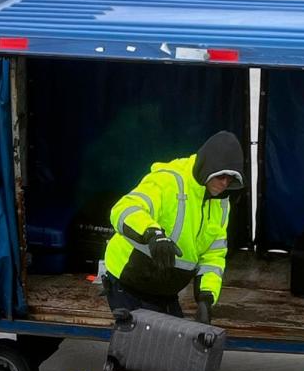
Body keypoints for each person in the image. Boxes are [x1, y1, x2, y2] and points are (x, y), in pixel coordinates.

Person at [103, 131, 244, 324]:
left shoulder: (221, 203)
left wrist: (206, 298)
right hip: (128, 283)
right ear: (208, 166)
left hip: (165, 292)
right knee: (138, 349)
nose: (225, 183)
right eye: (221, 176)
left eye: (230, 179)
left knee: (176, 348)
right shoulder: (168, 180)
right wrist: (152, 234)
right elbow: (124, 209)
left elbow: (214, 255)